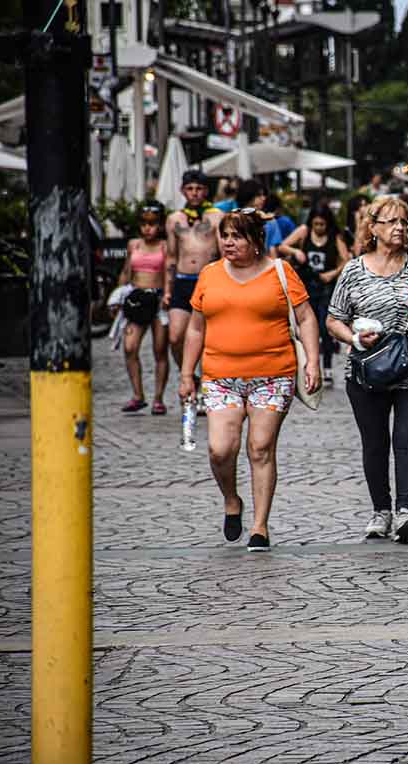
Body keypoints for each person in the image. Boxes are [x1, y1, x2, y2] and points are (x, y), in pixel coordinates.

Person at [178, 209, 322, 552]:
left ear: (256, 241)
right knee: (220, 449)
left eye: (237, 236)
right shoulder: (210, 275)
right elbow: (196, 327)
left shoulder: (280, 272)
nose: (228, 242)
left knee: (260, 448)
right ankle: (231, 500)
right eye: (224, 235)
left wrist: (313, 361)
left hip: (272, 375)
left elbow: (305, 318)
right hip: (220, 377)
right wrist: (186, 374)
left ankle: (260, 526)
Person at [326, 196, 408, 545]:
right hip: (366, 373)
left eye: (405, 222)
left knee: (407, 440)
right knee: (375, 443)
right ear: (373, 226)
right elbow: (333, 319)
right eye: (392, 221)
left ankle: (406, 513)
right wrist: (354, 338)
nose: (400, 228)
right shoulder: (353, 270)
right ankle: (381, 510)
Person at [278, 207, 351, 384]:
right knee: (304, 327)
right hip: (305, 284)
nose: (319, 228)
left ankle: (327, 366)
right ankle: (308, 363)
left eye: (322, 224)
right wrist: (296, 252)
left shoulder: (335, 237)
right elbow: (282, 245)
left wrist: (333, 273)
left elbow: (347, 259)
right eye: (316, 224)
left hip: (326, 286)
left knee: (325, 327)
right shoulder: (304, 231)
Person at [165, 170, 223, 372]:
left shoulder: (216, 217)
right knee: (175, 336)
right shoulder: (174, 219)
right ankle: (186, 373)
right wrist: (167, 290)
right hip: (181, 282)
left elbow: (224, 255)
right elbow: (171, 256)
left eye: (199, 189)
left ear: (206, 191)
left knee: (207, 338)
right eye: (190, 189)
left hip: (207, 282)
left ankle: (203, 378)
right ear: (183, 191)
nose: (195, 193)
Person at [116, 202, 171, 415]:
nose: (148, 228)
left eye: (153, 224)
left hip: (158, 301)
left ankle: (158, 398)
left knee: (160, 350)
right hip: (137, 299)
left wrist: (167, 294)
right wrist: (119, 295)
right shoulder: (134, 245)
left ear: (160, 225)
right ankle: (138, 395)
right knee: (130, 347)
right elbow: (126, 271)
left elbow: (168, 272)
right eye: (144, 224)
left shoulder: (165, 246)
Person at [237, 180, 284, 257]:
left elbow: (272, 249)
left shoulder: (270, 221)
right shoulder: (234, 219)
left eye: (264, 195)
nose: (263, 198)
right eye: (259, 195)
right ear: (248, 195)